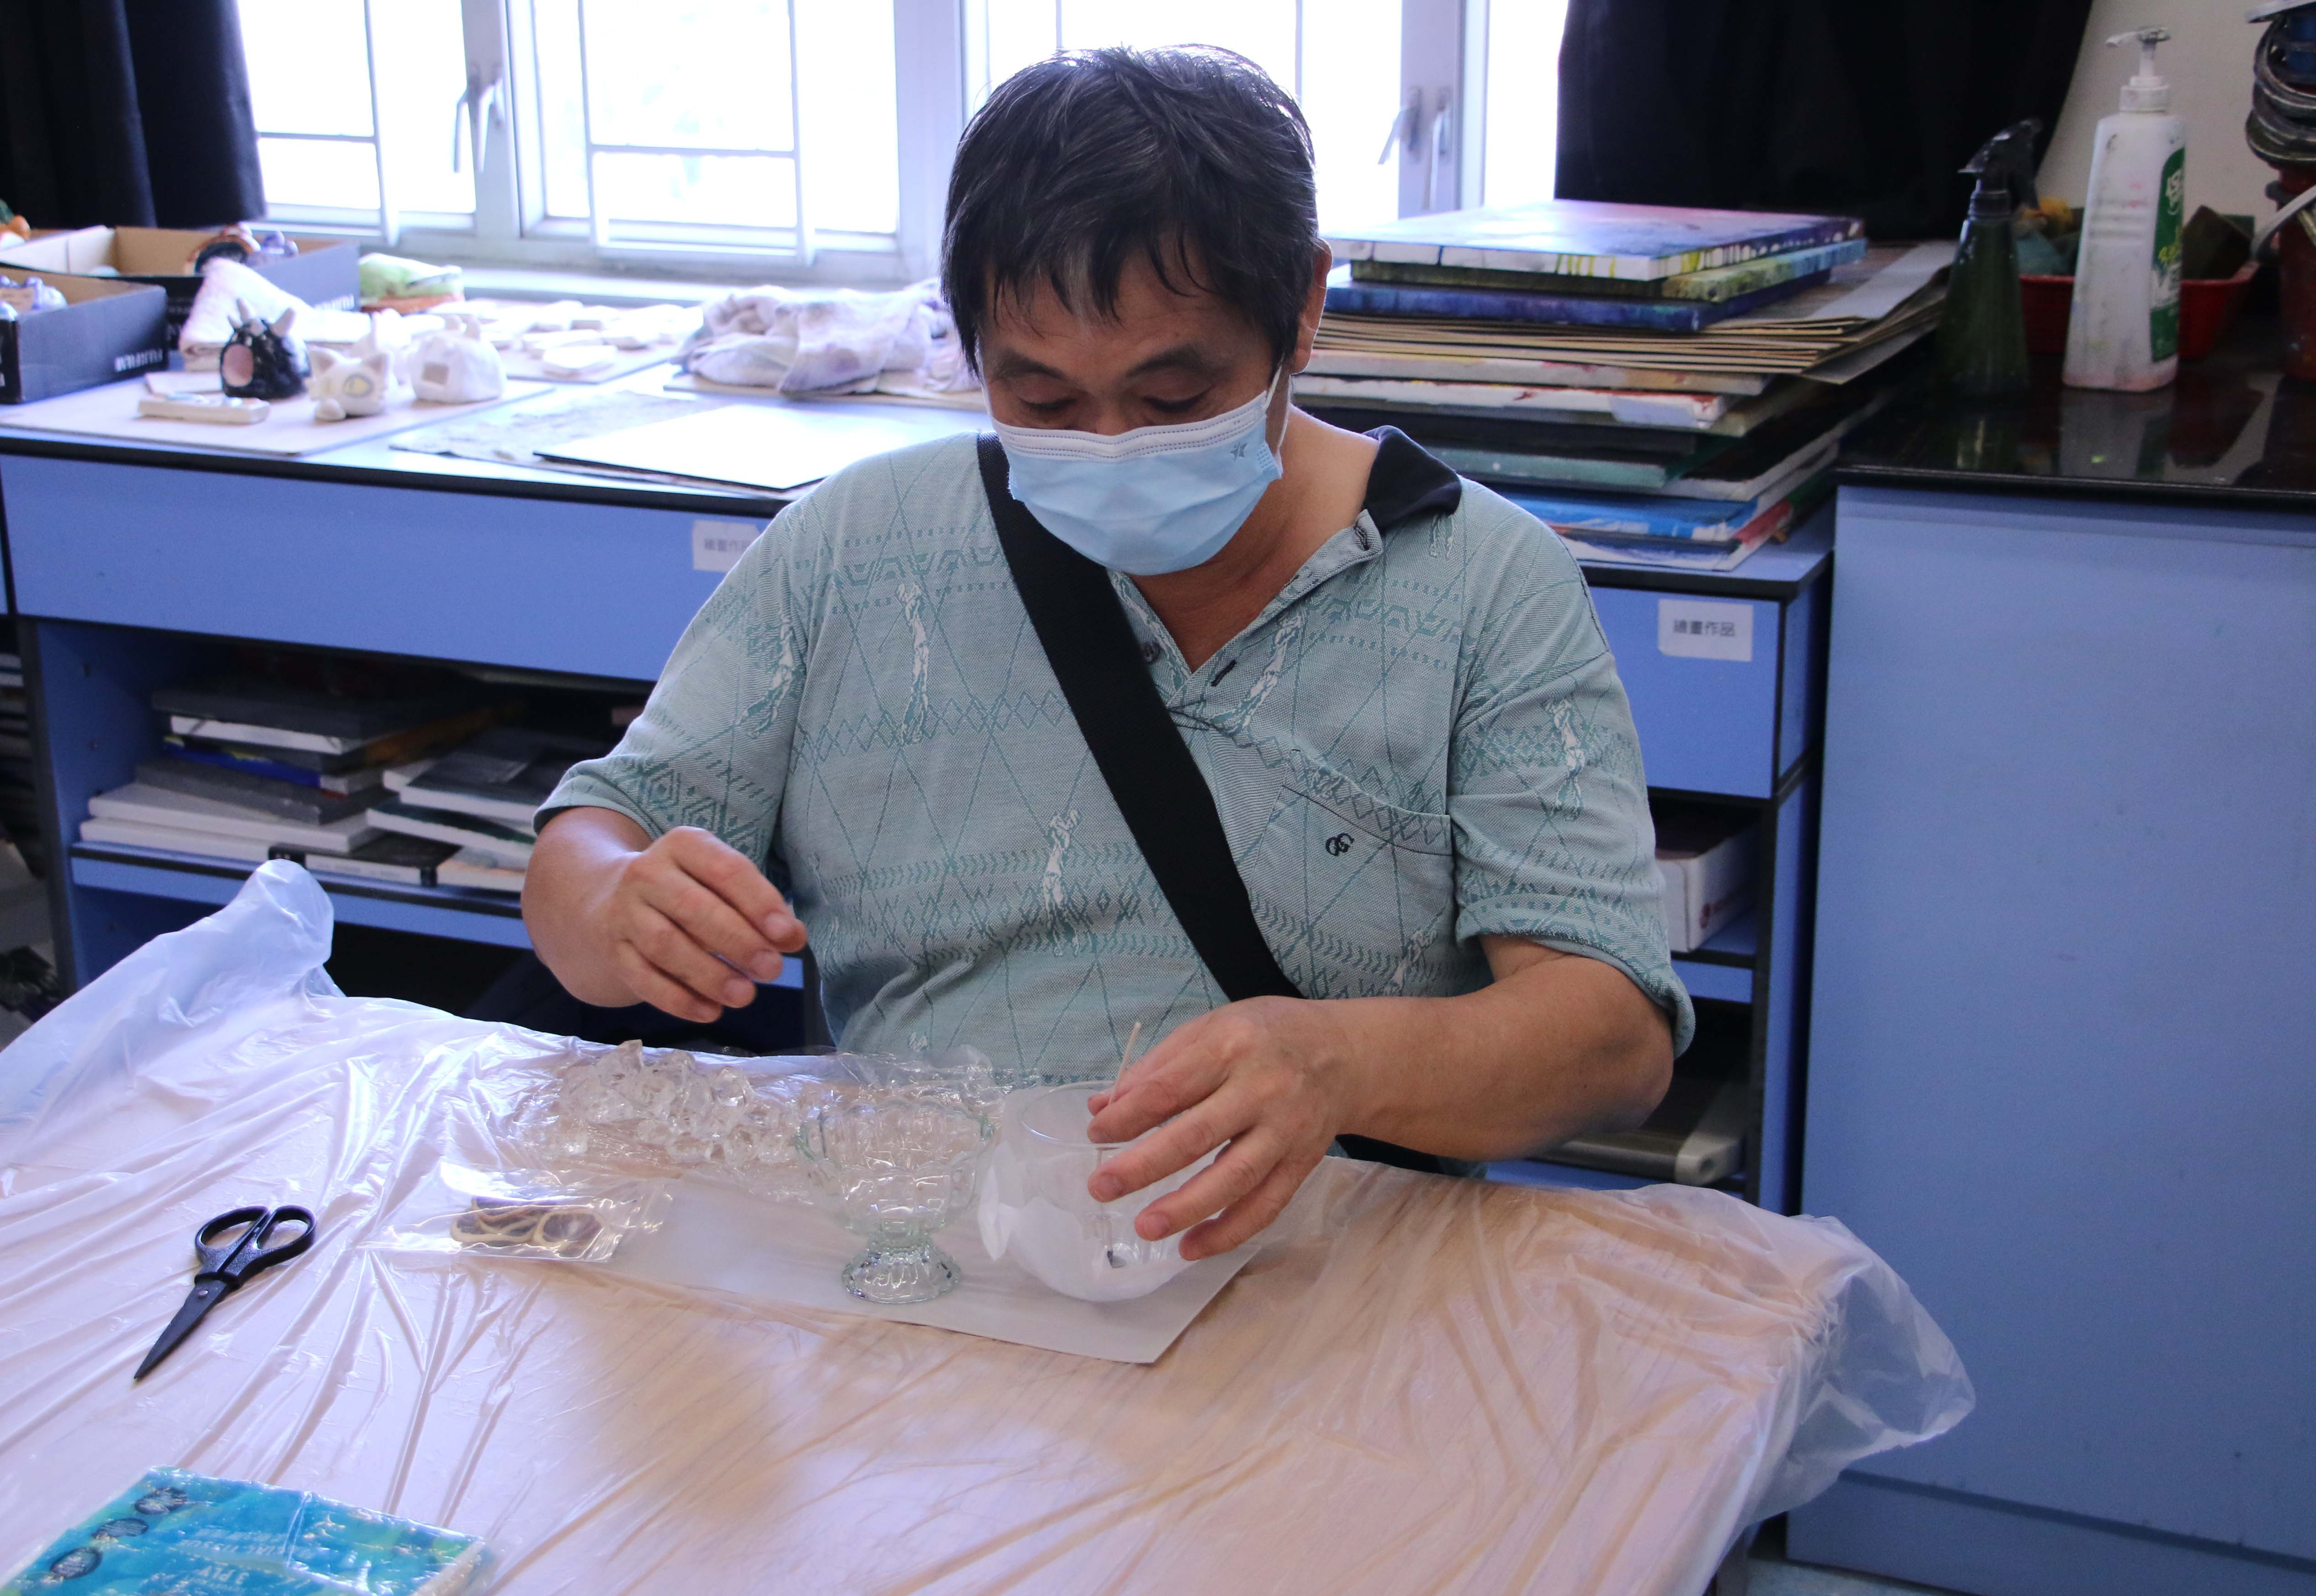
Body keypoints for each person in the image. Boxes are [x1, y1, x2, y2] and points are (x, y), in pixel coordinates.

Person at [526, 45, 1690, 1261]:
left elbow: (1613, 1040)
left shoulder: (1485, 584)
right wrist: (613, 901)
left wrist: (1344, 1062)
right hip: (939, 1267)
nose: (1112, 446)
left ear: (1303, 304)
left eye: (1174, 400)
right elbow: (591, 841)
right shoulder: (856, 547)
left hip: (1317, 1275)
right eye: (1042, 401)